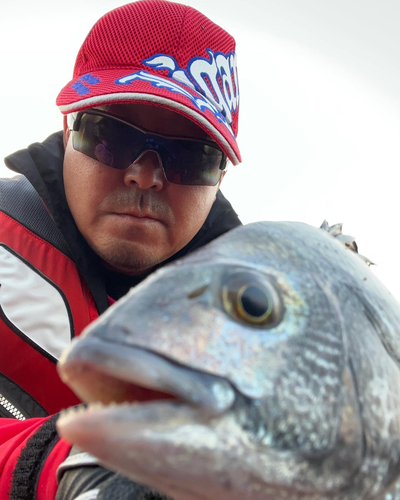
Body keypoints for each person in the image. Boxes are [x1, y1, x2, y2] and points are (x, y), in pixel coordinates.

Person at [0, 0, 241, 498]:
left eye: (189, 157)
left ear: (219, 176)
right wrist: (54, 465)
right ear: (69, 129)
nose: (145, 175)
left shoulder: (253, 316)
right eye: (111, 135)